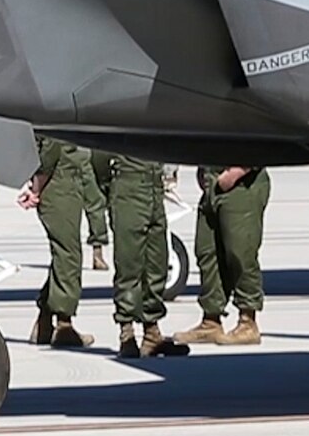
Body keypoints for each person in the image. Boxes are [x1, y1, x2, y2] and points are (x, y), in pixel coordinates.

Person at [94, 151, 189, 358]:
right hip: (128, 187)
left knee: (157, 263)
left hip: (155, 187)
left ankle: (151, 332)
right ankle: (126, 333)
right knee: (129, 264)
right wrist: (112, 190)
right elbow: (99, 158)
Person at [15, 137, 98, 348]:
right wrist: (36, 189)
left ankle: (45, 319)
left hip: (66, 182)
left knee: (63, 255)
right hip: (60, 183)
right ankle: (64, 325)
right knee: (68, 255)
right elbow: (50, 149)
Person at [175, 164, 271, 346]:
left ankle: (248, 322)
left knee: (240, 253)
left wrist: (236, 172)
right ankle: (211, 321)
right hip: (213, 182)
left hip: (241, 183)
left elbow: (262, 140)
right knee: (207, 252)